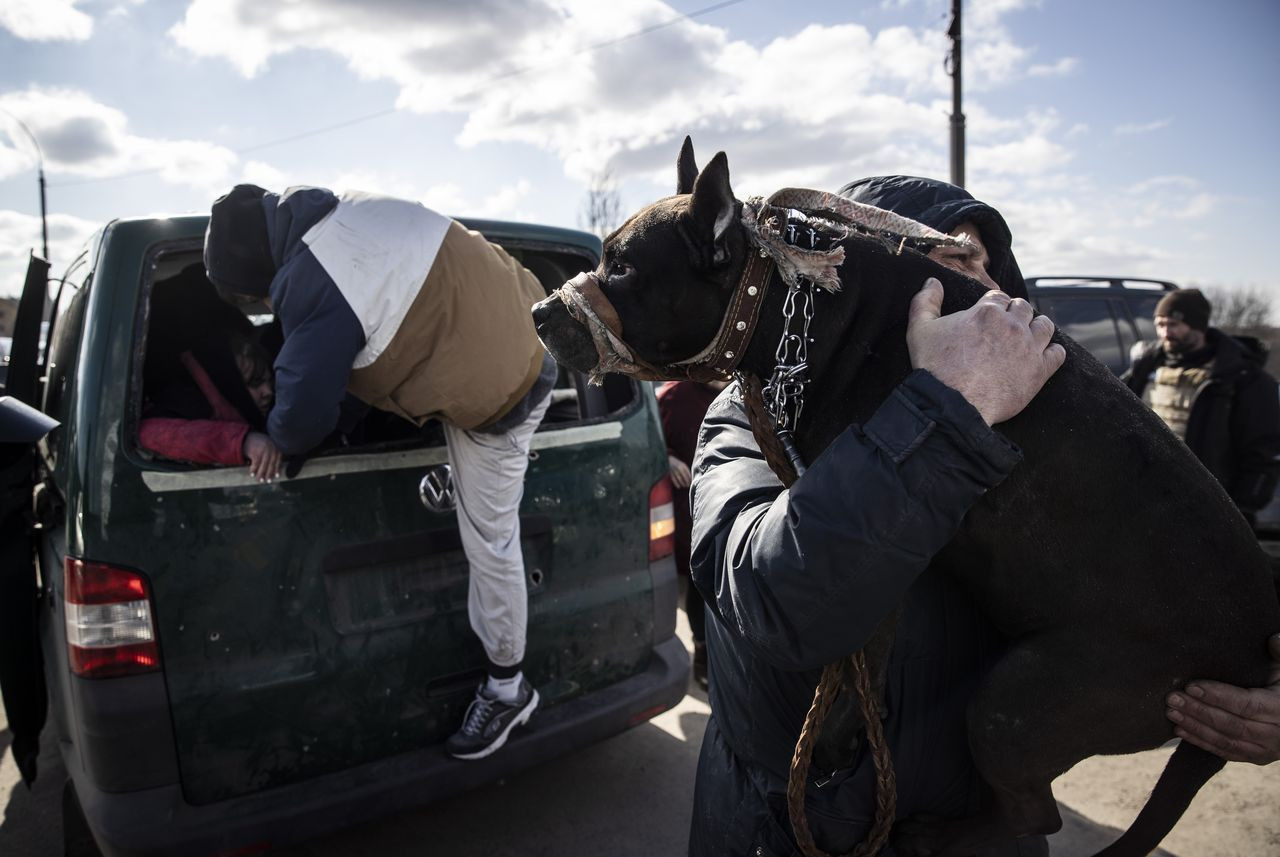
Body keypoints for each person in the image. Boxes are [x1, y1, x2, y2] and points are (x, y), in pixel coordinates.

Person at [685, 175, 1280, 856]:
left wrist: (1263, 689)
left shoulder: (1040, 426)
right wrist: (942, 408)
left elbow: (1181, 552)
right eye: (938, 259)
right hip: (790, 829)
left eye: (980, 263)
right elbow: (777, 605)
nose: (977, 287)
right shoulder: (759, 415)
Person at [203, 184, 555, 761]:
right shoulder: (346, 210)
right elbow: (376, 336)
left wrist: (283, 440)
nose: (262, 306)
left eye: (251, 299)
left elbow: (302, 415)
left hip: (506, 395)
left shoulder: (306, 281)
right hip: (529, 318)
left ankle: (508, 688)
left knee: (491, 539)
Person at [1120, 288, 1280, 525]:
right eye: (1160, 324)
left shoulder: (1241, 379)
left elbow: (1261, 454)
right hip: (1144, 498)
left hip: (1207, 508)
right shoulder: (1145, 367)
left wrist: (1241, 510)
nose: (1165, 332)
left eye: (1174, 324)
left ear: (1198, 326)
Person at [655, 379, 728, 690]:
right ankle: (703, 654)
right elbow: (649, 437)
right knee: (699, 584)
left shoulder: (746, 388)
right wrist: (667, 457)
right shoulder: (674, 396)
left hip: (734, 506)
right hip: (691, 512)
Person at [140, 331, 283, 482]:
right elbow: (149, 433)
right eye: (254, 383)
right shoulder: (187, 402)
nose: (268, 392)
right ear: (231, 385)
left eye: (270, 382)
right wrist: (241, 441)